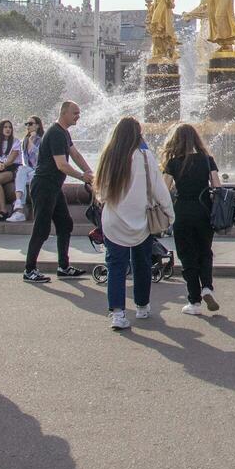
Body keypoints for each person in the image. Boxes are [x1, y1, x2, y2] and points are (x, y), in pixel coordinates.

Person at [95, 117, 174, 331]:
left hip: (114, 221)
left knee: (116, 267)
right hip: (142, 220)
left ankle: (118, 314)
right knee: (141, 264)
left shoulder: (108, 156)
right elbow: (159, 188)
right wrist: (169, 213)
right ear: (137, 134)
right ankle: (142, 306)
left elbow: (100, 192)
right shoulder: (145, 156)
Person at [23, 101, 94, 284]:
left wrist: (91, 174)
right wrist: (82, 177)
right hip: (44, 185)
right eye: (75, 113)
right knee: (42, 228)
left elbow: (76, 155)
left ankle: (63, 267)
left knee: (65, 224)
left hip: (54, 187)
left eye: (79, 112)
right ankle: (29, 270)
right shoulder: (55, 133)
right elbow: (62, 165)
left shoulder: (64, 133)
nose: (78, 116)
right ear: (64, 113)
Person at [163, 123, 222, 315]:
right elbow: (217, 186)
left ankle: (194, 302)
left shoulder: (173, 162)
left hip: (182, 212)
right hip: (204, 211)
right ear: (196, 139)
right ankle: (207, 287)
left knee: (187, 254)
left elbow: (164, 190)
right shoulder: (207, 160)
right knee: (205, 251)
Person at [7, 116, 43, 223]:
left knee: (31, 176)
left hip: (40, 169)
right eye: (26, 124)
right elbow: (25, 161)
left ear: (37, 125)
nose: (28, 126)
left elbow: (39, 158)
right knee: (22, 169)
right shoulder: (25, 140)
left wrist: (32, 141)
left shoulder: (43, 139)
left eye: (31, 124)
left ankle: (21, 212)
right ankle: (18, 203)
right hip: (29, 169)